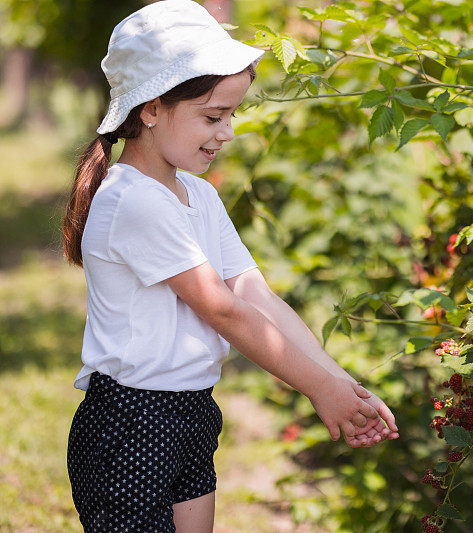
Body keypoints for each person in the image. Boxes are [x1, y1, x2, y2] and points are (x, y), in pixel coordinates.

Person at [60, 1, 399, 531]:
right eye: (212, 116)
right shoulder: (134, 200)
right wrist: (316, 389)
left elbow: (253, 293)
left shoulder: (196, 194)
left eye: (232, 115)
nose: (228, 132)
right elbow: (224, 311)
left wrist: (340, 383)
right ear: (150, 108)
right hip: (130, 423)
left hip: (191, 411)